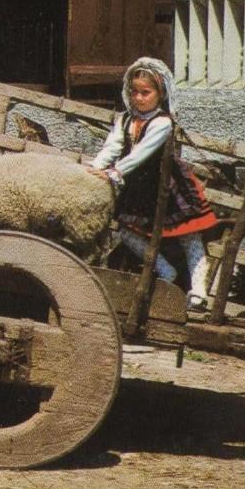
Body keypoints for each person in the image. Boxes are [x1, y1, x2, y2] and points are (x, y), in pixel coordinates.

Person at [88, 57, 218, 311]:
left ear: (160, 93)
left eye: (145, 92)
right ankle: (165, 271)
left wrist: (117, 171)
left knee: (188, 236)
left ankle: (199, 291)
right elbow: (112, 146)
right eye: (134, 92)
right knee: (127, 233)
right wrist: (96, 167)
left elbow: (141, 153)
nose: (139, 98)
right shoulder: (125, 120)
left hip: (167, 186)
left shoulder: (162, 123)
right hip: (138, 188)